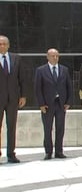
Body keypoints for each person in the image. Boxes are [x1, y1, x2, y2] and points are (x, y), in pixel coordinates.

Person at [34, 48, 72, 160]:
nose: (55, 58)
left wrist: (68, 102)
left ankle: (59, 151)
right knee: (47, 128)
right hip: (47, 105)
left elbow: (69, 86)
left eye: (57, 56)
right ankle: (48, 151)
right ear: (47, 57)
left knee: (60, 128)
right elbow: (38, 89)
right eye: (52, 56)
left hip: (61, 104)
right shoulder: (41, 70)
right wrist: (41, 104)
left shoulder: (64, 70)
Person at [0, 35, 27, 163]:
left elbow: (22, 78)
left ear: (8, 45)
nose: (2, 46)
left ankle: (11, 153)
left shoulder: (16, 58)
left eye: (4, 44)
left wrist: (23, 95)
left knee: (11, 126)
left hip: (13, 99)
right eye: (0, 44)